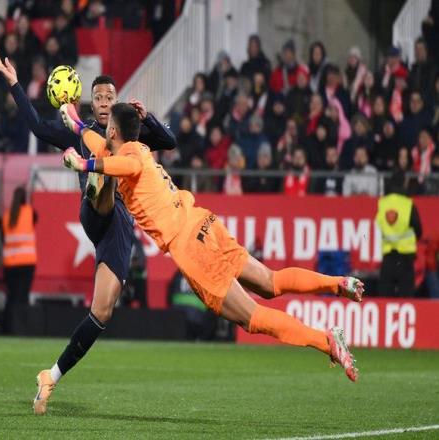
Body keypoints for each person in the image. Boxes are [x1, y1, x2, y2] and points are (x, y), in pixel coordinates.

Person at [62, 103, 364, 390]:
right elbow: (97, 143)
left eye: (107, 128)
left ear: (113, 131)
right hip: (203, 222)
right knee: (270, 282)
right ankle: (339, 283)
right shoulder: (134, 147)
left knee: (252, 317)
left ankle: (326, 341)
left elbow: (123, 163)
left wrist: (84, 164)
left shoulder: (129, 156)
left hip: (190, 246)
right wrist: (75, 123)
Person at [0, 53, 176, 415]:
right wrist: (14, 83)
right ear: (91, 102)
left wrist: (148, 117)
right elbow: (37, 127)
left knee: (102, 312)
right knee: (104, 167)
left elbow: (168, 141)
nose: (105, 102)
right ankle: (98, 175)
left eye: (110, 97)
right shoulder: (82, 131)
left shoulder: (131, 129)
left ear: (116, 100)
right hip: (94, 210)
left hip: (118, 227)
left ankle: (50, 376)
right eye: (99, 97)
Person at [376, 171, 422, 297]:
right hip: (405, 258)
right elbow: (418, 229)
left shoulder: (382, 203)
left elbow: (379, 224)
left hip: (388, 256)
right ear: (404, 182)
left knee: (385, 298)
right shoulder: (408, 204)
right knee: (406, 298)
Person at [1, 187, 37, 334]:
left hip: (9, 263)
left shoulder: (6, 216)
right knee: (23, 297)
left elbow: (3, 238)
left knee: (11, 297)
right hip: (27, 263)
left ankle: (7, 329)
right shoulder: (30, 212)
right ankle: (21, 329)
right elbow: (35, 221)